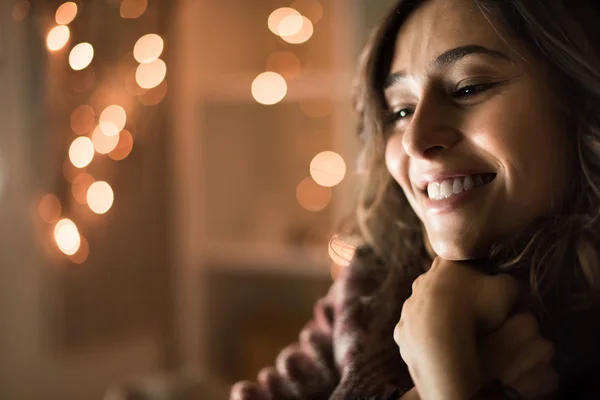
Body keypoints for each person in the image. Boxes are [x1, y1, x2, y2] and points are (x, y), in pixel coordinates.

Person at [230, 0, 600, 398]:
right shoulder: (370, 286)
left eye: (468, 88)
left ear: (578, 103)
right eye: (401, 110)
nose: (415, 139)